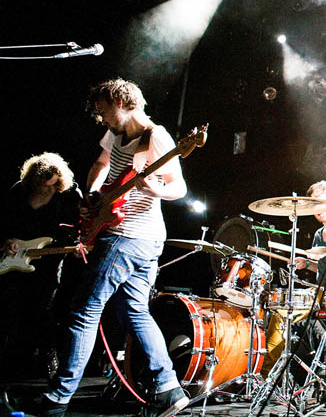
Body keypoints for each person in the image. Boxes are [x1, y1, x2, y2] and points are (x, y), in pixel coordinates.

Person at [12, 79, 190, 417]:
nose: (101, 118)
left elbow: (178, 187)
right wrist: (93, 197)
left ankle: (58, 398)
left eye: (105, 111)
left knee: (84, 311)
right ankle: (169, 390)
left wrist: (153, 187)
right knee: (135, 311)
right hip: (133, 235)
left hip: (131, 235)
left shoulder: (157, 137)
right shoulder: (117, 134)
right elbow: (101, 164)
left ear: (123, 104)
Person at [262, 180, 326, 397]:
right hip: (319, 290)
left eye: (320, 204)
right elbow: (324, 264)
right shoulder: (319, 234)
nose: (316, 211)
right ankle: (268, 375)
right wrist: (308, 264)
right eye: (313, 206)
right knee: (281, 313)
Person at [1, 152, 82, 380]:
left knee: (43, 308)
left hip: (49, 257)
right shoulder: (19, 190)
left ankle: (47, 356)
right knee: (11, 307)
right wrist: (7, 239)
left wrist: (75, 245)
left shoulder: (68, 194)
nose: (47, 188)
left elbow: (78, 226)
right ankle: (13, 361)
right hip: (15, 259)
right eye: (43, 184)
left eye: (53, 184)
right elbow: (5, 220)